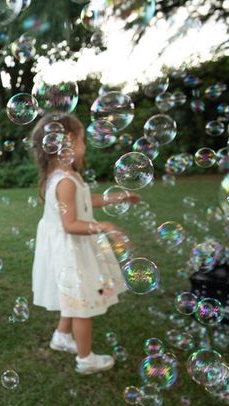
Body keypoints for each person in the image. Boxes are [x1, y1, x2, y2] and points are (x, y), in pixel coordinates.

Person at [31, 113, 140, 375]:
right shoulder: (65, 181)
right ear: (67, 142)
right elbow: (70, 224)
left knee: (74, 296)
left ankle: (61, 336)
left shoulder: (66, 176)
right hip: (71, 249)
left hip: (71, 248)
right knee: (82, 306)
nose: (85, 145)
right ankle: (86, 358)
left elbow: (85, 200)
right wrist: (104, 226)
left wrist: (117, 198)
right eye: (82, 140)